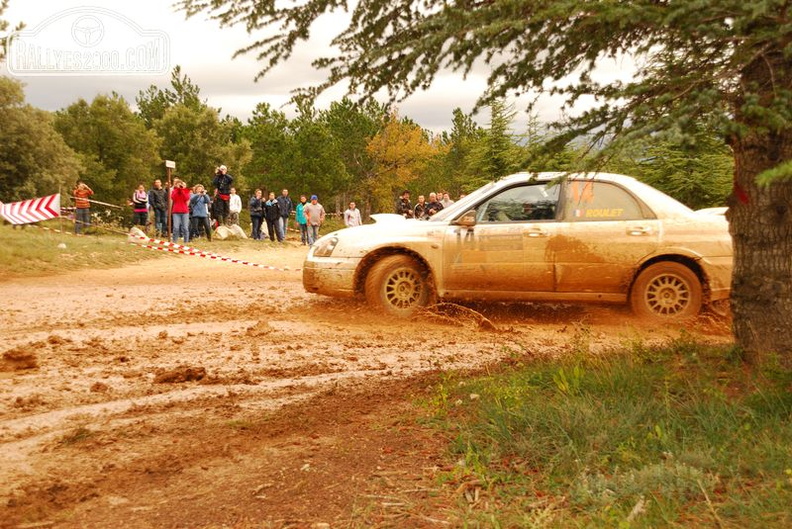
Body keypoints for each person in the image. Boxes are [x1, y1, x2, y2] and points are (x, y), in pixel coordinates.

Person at [171, 178, 191, 244]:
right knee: (176, 227)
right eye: (178, 184)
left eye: (180, 184)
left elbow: (186, 198)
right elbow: (173, 198)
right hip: (176, 211)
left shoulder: (186, 191)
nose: (179, 185)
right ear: (176, 185)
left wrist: (182, 190)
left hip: (185, 212)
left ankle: (186, 242)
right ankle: (174, 241)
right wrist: (177, 190)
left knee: (185, 227)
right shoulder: (174, 191)